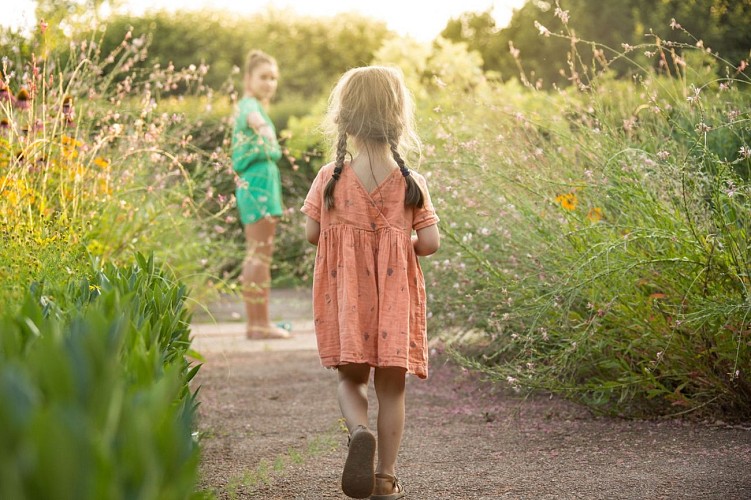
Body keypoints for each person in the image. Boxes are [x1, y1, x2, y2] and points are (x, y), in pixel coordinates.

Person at [301, 66, 440, 500]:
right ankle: (385, 477)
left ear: (346, 119)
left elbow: (311, 233)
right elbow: (431, 242)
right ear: (398, 118)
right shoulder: (411, 181)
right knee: (392, 387)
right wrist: (399, 246)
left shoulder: (331, 177)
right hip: (395, 301)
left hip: (348, 301)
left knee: (351, 380)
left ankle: (359, 431)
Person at [231, 50, 291, 340]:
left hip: (260, 184)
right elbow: (254, 119)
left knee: (258, 255)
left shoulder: (251, 104)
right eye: (263, 77)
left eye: (273, 78)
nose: (269, 83)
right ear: (248, 79)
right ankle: (259, 325)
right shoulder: (249, 105)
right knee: (259, 256)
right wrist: (266, 129)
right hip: (257, 186)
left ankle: (257, 324)